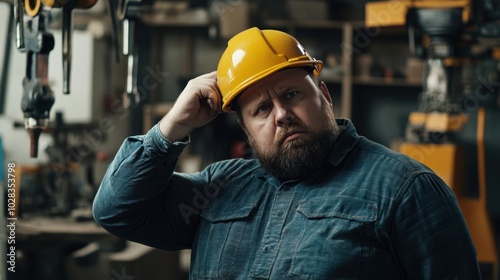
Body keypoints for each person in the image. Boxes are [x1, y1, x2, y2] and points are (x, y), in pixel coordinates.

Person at [93, 27, 482, 279]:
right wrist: (170, 128)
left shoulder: (405, 190)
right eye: (261, 109)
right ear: (245, 128)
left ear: (325, 96)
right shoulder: (219, 187)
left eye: (292, 94)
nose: (281, 115)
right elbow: (117, 211)